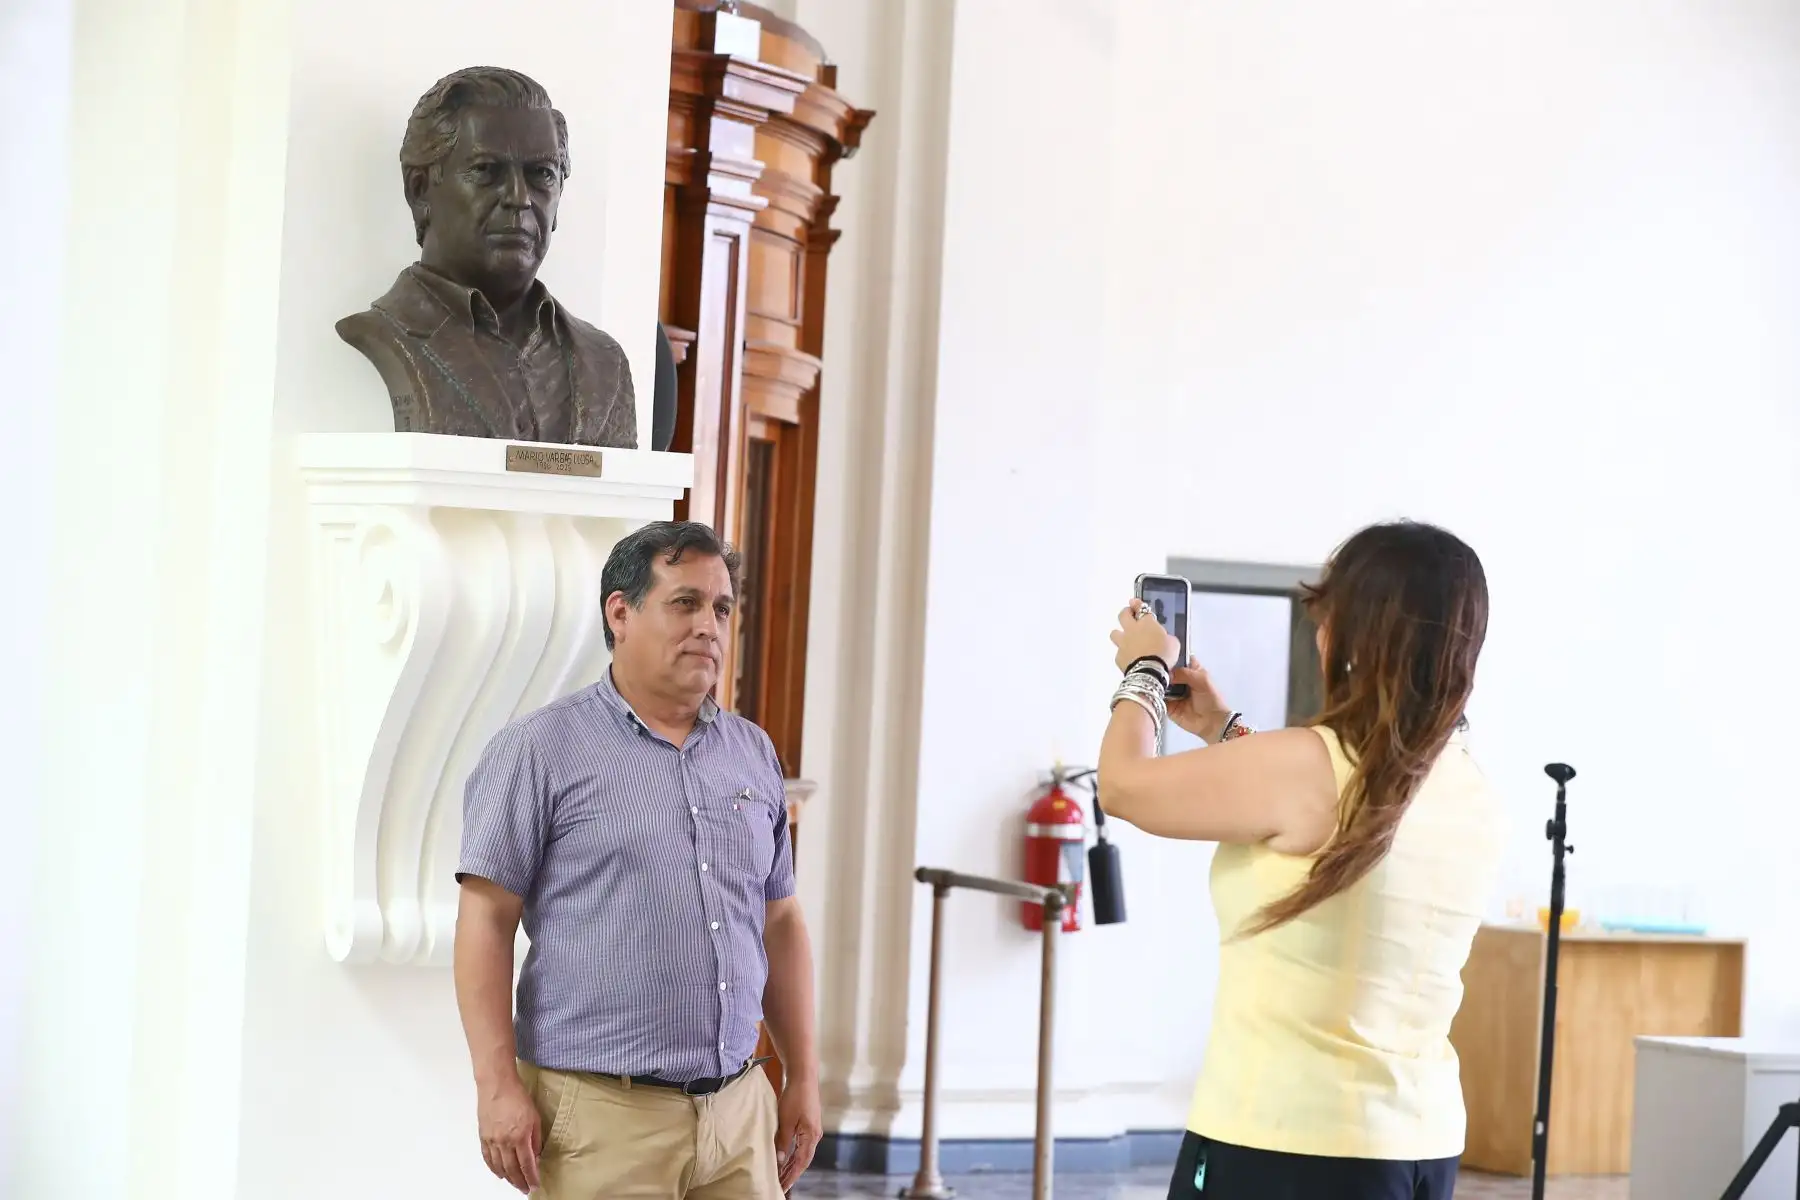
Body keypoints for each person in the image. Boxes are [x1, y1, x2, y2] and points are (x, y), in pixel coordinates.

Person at [1098, 521, 1505, 1200]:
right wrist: (1224, 732)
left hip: (1281, 1140)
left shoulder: (1305, 766)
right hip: (1419, 1145)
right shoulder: (1470, 785)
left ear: (1355, 636)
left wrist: (1145, 670)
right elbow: (1339, 811)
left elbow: (1123, 786)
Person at [453, 520, 820, 1199]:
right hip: (601, 1121)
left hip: (741, 1116)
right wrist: (496, 1085)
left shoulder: (751, 751)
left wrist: (803, 1076)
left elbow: (780, 921)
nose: (708, 625)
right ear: (620, 613)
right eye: (684, 603)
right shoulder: (540, 751)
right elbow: (486, 919)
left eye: (720, 607)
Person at [336, 65, 637, 447]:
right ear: (420, 191)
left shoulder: (604, 364)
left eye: (541, 174)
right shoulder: (388, 334)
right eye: (486, 171)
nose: (519, 197)